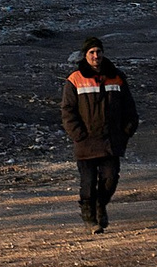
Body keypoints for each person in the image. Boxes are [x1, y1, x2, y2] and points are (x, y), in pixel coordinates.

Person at [59, 36, 138, 232]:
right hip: (86, 142)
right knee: (87, 184)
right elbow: (68, 110)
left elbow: (129, 106)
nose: (96, 56)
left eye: (98, 52)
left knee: (110, 180)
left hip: (111, 140)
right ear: (85, 55)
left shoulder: (117, 76)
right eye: (92, 53)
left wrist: (127, 130)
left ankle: (100, 206)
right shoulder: (75, 79)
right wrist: (78, 134)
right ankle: (90, 217)